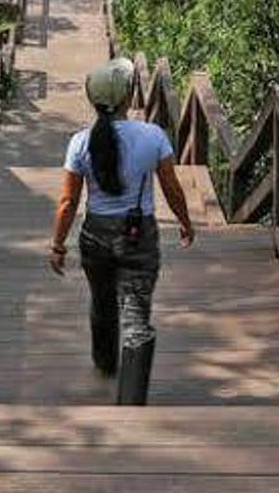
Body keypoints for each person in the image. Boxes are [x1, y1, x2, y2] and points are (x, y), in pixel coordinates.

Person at [48, 57, 195, 404]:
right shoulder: (153, 136)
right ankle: (131, 401)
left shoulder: (80, 142)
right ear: (128, 97)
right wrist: (185, 222)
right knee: (136, 313)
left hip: (95, 235)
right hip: (137, 234)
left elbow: (68, 201)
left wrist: (57, 245)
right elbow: (172, 187)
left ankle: (104, 362)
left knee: (101, 300)